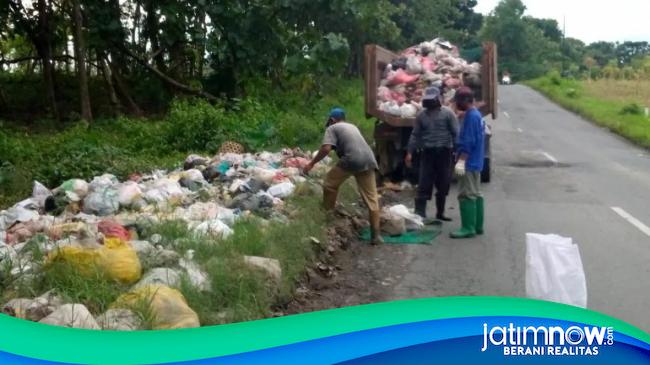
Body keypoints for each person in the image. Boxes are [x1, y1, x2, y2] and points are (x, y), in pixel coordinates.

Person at [303, 108, 383, 245]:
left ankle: (327, 217)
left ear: (332, 120)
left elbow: (326, 148)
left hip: (352, 159)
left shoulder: (332, 128)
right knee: (372, 198)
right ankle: (376, 236)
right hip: (369, 159)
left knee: (329, 184)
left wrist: (311, 164)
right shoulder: (352, 126)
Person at [405, 87, 458, 221]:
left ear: (439, 99)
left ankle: (440, 213)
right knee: (424, 182)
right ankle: (420, 214)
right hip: (428, 153)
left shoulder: (448, 113)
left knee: (444, 183)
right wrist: (409, 152)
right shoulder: (421, 115)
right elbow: (415, 135)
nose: (430, 103)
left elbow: (455, 134)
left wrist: (458, 152)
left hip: (445, 152)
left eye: (432, 100)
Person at [450, 87, 485, 239]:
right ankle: (478, 226)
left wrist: (461, 161)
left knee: (466, 195)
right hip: (476, 161)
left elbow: (468, 141)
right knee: (476, 194)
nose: (456, 104)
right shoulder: (476, 114)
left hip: (469, 162)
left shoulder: (471, 118)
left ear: (465, 101)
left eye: (458, 101)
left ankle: (468, 228)